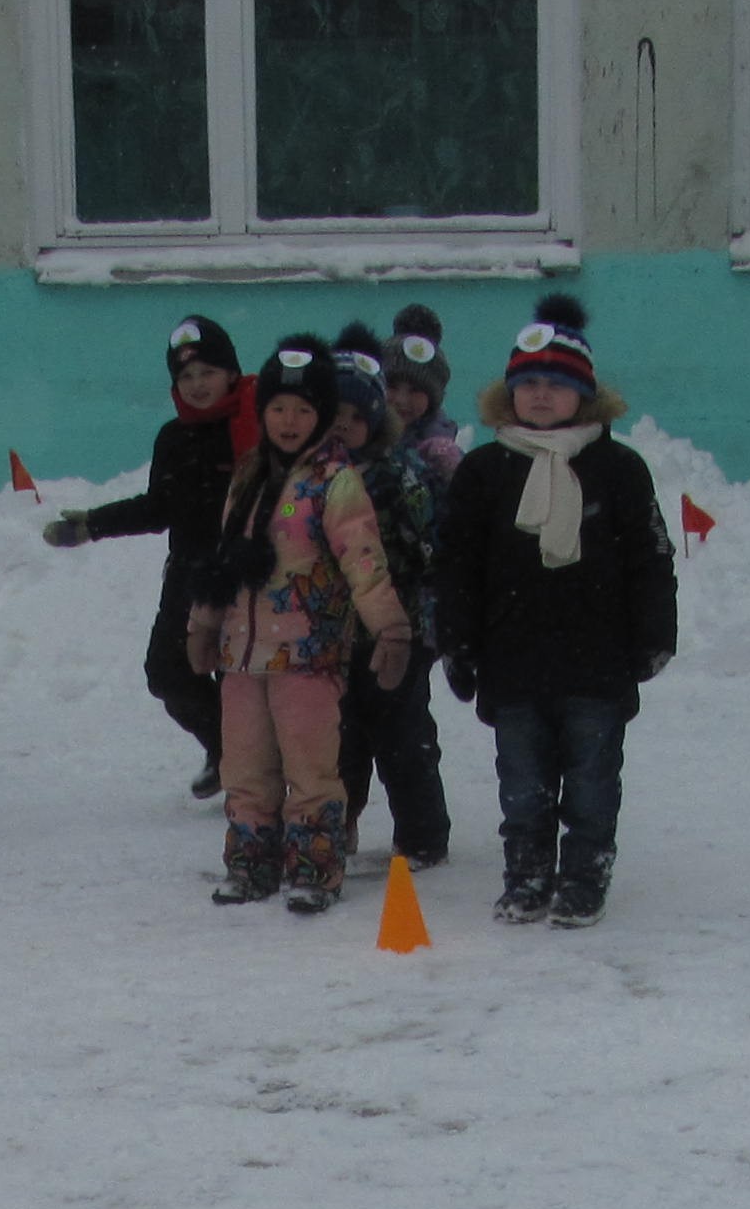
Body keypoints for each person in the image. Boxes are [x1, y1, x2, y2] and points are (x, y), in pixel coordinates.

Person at [434, 294, 676, 929]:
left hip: (597, 657)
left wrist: (655, 635)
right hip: (512, 657)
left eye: (557, 384)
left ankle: (584, 874)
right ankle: (527, 873)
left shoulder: (619, 469)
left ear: (585, 394)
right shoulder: (484, 471)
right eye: (528, 383)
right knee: (522, 780)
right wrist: (456, 642)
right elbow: (456, 562)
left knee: (593, 778)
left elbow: (652, 557)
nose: (541, 396)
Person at [184, 335, 411, 915]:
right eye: (279, 409)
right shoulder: (249, 476)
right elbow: (221, 560)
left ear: (322, 416)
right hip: (241, 653)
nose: (289, 421)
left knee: (310, 766)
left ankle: (314, 866)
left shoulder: (335, 482)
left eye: (304, 410)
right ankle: (251, 863)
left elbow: (365, 564)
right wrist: (203, 625)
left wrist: (390, 630)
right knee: (244, 764)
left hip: (307, 655)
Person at [42, 314, 257, 799]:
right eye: (186, 377)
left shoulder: (257, 424)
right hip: (188, 577)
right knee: (168, 673)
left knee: (247, 680)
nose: (198, 385)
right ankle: (226, 750)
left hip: (249, 576)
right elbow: (158, 508)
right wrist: (91, 524)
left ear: (230, 371)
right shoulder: (174, 437)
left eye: (207, 372)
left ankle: (258, 772)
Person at [328, 324, 450, 870]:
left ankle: (422, 835)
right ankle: (338, 821)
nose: (345, 428)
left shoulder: (402, 472)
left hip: (400, 624)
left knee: (402, 733)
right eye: (337, 417)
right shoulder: (316, 474)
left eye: (358, 418)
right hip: (334, 627)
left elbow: (429, 548)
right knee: (340, 733)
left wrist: (426, 615)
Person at [379, 303, 463, 502]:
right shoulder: (360, 435)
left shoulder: (442, 451)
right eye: (392, 386)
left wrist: (454, 476)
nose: (401, 400)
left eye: (415, 390)